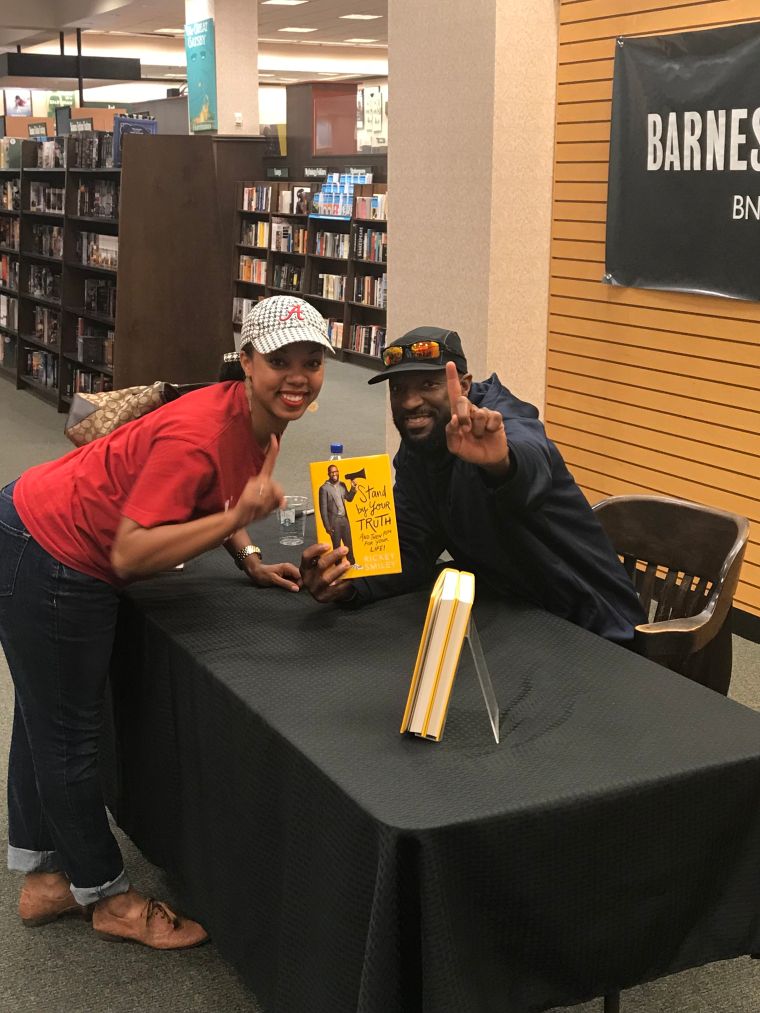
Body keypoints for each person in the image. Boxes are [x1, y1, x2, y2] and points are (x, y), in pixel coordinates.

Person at [0, 295, 334, 948]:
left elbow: (223, 492)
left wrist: (250, 556)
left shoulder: (261, 415)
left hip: (33, 516)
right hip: (54, 549)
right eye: (279, 361)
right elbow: (133, 549)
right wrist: (238, 522)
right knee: (69, 731)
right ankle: (105, 897)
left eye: (312, 361)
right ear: (245, 361)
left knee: (45, 712)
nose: (297, 376)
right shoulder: (200, 432)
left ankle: (42, 877)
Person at [300, 326, 646, 644]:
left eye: (427, 385)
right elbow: (412, 548)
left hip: (594, 625)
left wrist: (499, 463)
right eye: (398, 389)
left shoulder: (503, 422)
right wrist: (349, 584)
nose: (408, 402)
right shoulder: (419, 450)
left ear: (463, 386)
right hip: (510, 616)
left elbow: (531, 465)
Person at [318, 464, 358, 565]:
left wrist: (353, 489)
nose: (334, 474)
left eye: (336, 471)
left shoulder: (342, 485)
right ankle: (338, 567)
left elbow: (349, 498)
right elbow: (323, 510)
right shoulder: (324, 488)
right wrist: (327, 527)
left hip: (344, 519)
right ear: (328, 474)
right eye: (332, 472)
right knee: (337, 546)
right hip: (333, 522)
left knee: (349, 542)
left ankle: (352, 564)